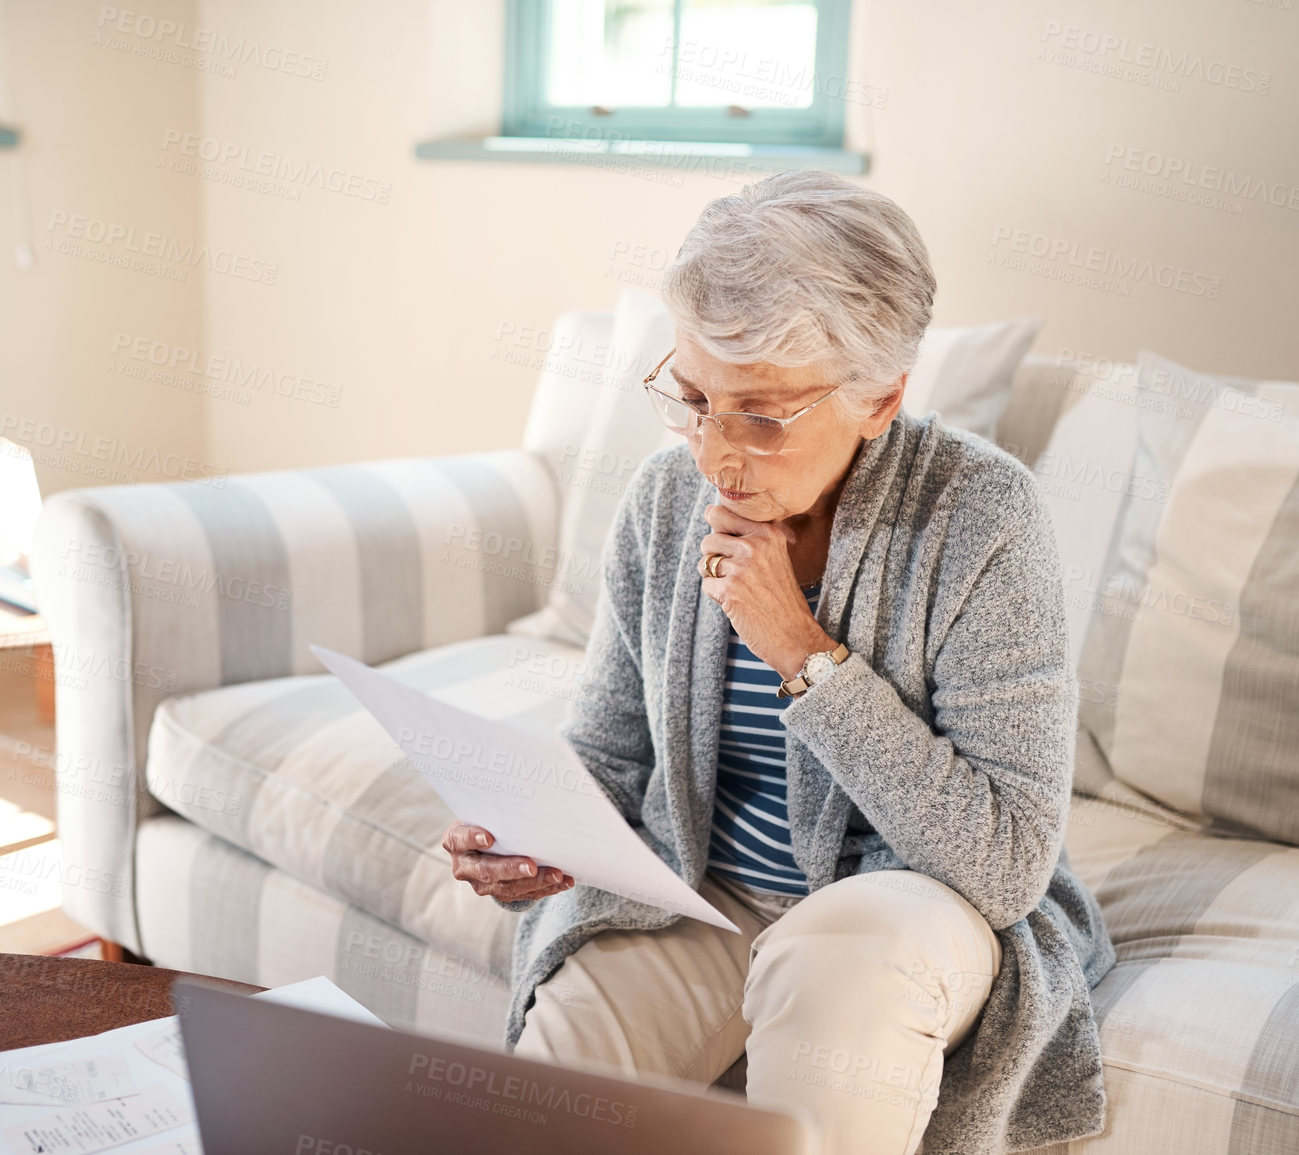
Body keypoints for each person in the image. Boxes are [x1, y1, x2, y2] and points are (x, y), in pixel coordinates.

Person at [442, 169, 1115, 1155]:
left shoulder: (983, 519)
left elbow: (1004, 864)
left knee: (836, 963)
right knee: (550, 1090)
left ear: (880, 397)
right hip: (708, 889)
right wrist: (532, 831)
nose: (713, 454)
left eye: (759, 415)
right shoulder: (666, 498)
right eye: (694, 397)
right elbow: (612, 745)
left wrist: (804, 654)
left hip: (903, 909)